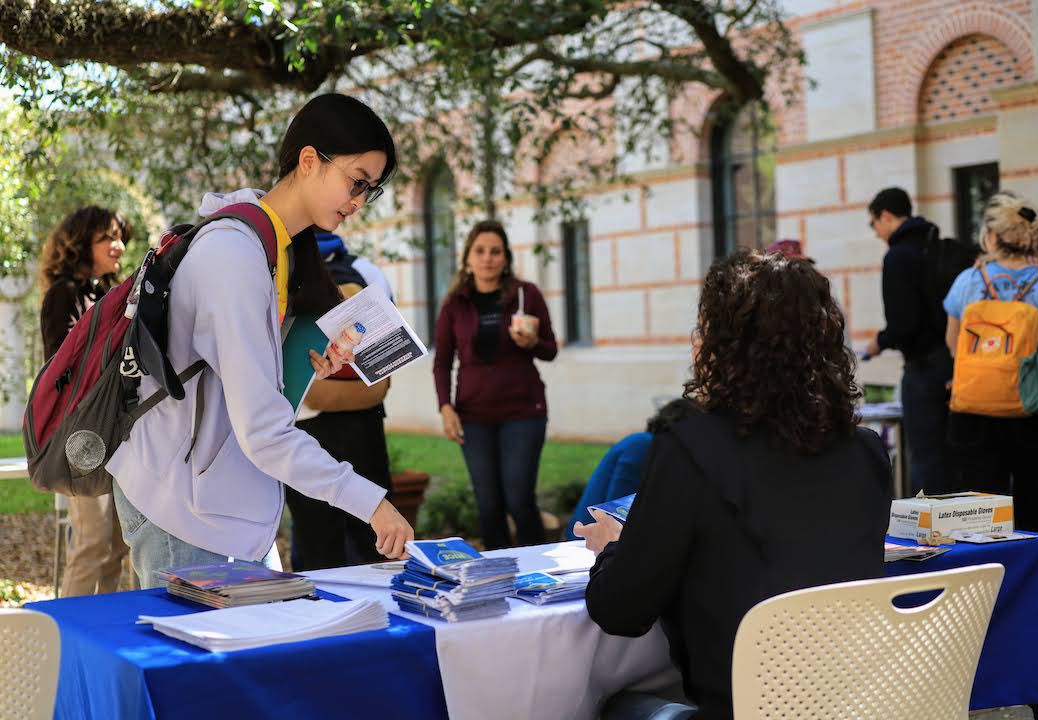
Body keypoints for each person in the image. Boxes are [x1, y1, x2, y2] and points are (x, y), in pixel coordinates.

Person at [106, 93, 414, 588]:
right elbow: (263, 430)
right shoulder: (234, 253)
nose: (359, 202)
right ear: (309, 160)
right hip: (182, 510)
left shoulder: (278, 252)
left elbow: (245, 390)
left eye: (370, 191)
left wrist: (302, 362)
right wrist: (371, 503)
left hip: (226, 510)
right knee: (200, 666)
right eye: (357, 181)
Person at [576, 250, 892, 720]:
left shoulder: (691, 452)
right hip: (857, 704)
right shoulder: (866, 453)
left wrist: (612, 550)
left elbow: (621, 612)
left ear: (722, 347)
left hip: (744, 708)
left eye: (703, 329)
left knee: (614, 707)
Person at [944, 193, 1038, 547]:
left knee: (976, 516)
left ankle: (983, 590)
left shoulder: (967, 281)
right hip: (1034, 411)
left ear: (994, 237)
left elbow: (953, 344)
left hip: (973, 411)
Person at [433, 220, 557, 550]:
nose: (488, 258)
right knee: (488, 506)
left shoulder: (524, 295)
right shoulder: (454, 304)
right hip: (474, 416)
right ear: (468, 258)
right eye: (480, 251)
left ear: (505, 258)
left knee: (519, 499)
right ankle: (497, 579)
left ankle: (536, 571)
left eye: (495, 251)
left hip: (523, 412)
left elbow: (551, 349)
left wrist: (531, 342)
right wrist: (445, 407)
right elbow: (442, 362)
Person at [286, 231, 395, 570]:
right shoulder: (366, 271)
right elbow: (383, 372)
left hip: (307, 424)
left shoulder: (279, 270)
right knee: (366, 541)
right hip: (360, 418)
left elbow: (382, 375)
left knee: (322, 542)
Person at [38, 205, 132, 596]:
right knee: (92, 544)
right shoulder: (65, 294)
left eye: (120, 237)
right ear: (80, 244)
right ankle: (63, 641)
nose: (118, 246)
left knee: (117, 548)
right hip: (79, 434)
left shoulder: (103, 293)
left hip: (110, 431)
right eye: (106, 237)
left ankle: (104, 636)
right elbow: (61, 367)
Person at [863, 187, 953, 493]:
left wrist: (880, 342)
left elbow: (904, 323)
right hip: (952, 363)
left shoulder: (898, 257)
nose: (876, 233)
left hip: (923, 366)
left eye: (873, 224)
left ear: (886, 217)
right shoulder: (933, 245)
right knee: (946, 452)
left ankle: (927, 533)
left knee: (924, 456)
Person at [564, 398, 702, 539]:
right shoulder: (642, 445)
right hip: (586, 548)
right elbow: (617, 515)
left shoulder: (647, 446)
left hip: (598, 545)